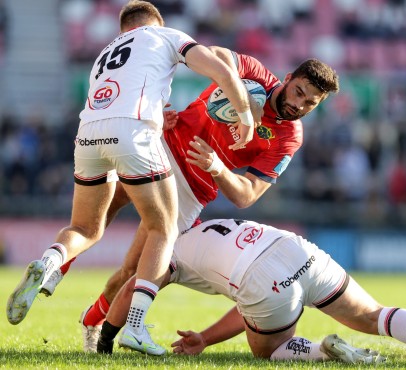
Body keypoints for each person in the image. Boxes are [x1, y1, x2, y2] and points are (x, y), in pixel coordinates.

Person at [36, 47, 340, 353]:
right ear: (288, 79)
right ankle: (55, 269)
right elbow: (211, 54)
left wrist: (217, 168)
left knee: (133, 272)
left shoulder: (289, 137)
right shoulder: (255, 74)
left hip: (192, 190)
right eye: (298, 92)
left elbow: (246, 195)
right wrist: (242, 101)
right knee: (97, 217)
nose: (297, 104)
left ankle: (92, 320)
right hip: (162, 148)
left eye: (309, 103)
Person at [6, 0, 260, 352]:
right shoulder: (166, 35)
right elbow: (222, 70)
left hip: (88, 135)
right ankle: (136, 327)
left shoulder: (107, 50)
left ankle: (49, 262)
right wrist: (245, 114)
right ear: (156, 22)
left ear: (123, 28)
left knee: (85, 228)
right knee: (164, 228)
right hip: (132, 134)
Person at [95, 218, 406, 366]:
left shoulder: (169, 251)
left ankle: (322, 350)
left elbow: (134, 287)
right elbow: (247, 310)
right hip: (296, 249)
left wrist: (105, 343)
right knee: (376, 315)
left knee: (266, 349)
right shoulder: (206, 227)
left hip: (259, 277)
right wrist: (207, 339)